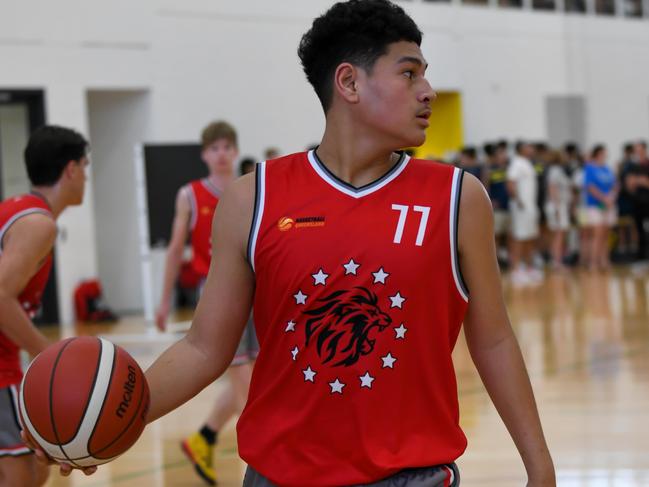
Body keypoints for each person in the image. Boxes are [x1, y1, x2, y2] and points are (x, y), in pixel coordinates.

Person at [32, 1, 555, 486]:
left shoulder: (459, 199)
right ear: (348, 82)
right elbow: (204, 347)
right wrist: (111, 419)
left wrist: (541, 469)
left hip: (413, 475)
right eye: (409, 72)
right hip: (278, 476)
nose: (428, 91)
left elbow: (493, 341)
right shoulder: (252, 200)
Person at [154, 121, 257, 485]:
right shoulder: (190, 194)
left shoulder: (251, 189)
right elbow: (175, 249)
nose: (222, 153)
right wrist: (164, 299)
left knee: (252, 380)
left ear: (235, 151)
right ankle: (262, 470)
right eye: (215, 148)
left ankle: (204, 438)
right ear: (204, 154)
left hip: (256, 290)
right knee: (249, 388)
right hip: (216, 293)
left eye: (228, 147)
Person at [0, 125, 89, 487]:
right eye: (85, 165)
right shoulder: (39, 224)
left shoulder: (17, 209)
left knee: (37, 468)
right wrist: (48, 355)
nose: (86, 176)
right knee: (25, 473)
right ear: (70, 169)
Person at [507, 141, 543, 287]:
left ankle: (528, 267)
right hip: (521, 207)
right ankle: (515, 269)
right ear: (521, 149)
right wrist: (518, 200)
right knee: (519, 237)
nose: (532, 148)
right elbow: (510, 183)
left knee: (530, 237)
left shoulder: (528, 163)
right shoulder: (516, 163)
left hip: (530, 207)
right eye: (529, 146)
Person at [583, 145, 617, 271]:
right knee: (597, 234)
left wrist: (611, 197)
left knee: (606, 234)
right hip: (595, 205)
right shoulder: (590, 169)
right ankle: (593, 262)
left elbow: (615, 184)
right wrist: (603, 198)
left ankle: (605, 260)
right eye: (603, 153)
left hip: (609, 205)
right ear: (597, 154)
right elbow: (590, 187)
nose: (606, 155)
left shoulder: (607, 169)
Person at [544, 150, 572, 270]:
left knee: (560, 234)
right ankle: (556, 261)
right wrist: (556, 208)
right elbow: (552, 188)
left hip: (561, 205)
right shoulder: (555, 171)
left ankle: (557, 260)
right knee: (558, 234)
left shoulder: (558, 170)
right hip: (557, 205)